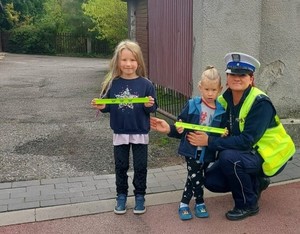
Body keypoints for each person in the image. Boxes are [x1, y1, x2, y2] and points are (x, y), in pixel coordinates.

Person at [151, 52, 295, 221]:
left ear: (251, 78)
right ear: (227, 78)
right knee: (211, 180)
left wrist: (209, 141)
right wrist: (170, 128)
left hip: (270, 155)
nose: (237, 78)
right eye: (233, 74)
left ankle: (247, 204)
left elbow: (246, 141)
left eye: (242, 74)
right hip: (247, 154)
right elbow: (197, 126)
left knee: (229, 158)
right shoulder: (223, 102)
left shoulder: (260, 102)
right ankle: (256, 183)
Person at [91, 40, 157, 215]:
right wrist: (101, 106)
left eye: (133, 60)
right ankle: (121, 195)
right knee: (121, 166)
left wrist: (149, 104)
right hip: (120, 132)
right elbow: (109, 106)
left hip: (140, 132)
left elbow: (152, 108)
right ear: (117, 62)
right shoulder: (113, 83)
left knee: (141, 166)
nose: (128, 64)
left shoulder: (146, 84)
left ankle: (140, 196)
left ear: (139, 62)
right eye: (124, 60)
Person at [151, 66, 226, 221]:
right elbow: (182, 120)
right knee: (196, 175)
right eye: (206, 89)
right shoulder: (192, 104)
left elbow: (221, 132)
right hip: (191, 148)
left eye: (213, 90)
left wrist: (224, 133)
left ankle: (184, 203)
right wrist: (179, 126)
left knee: (195, 176)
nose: (210, 93)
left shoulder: (221, 110)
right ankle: (198, 202)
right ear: (200, 88)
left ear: (220, 89)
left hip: (208, 151)